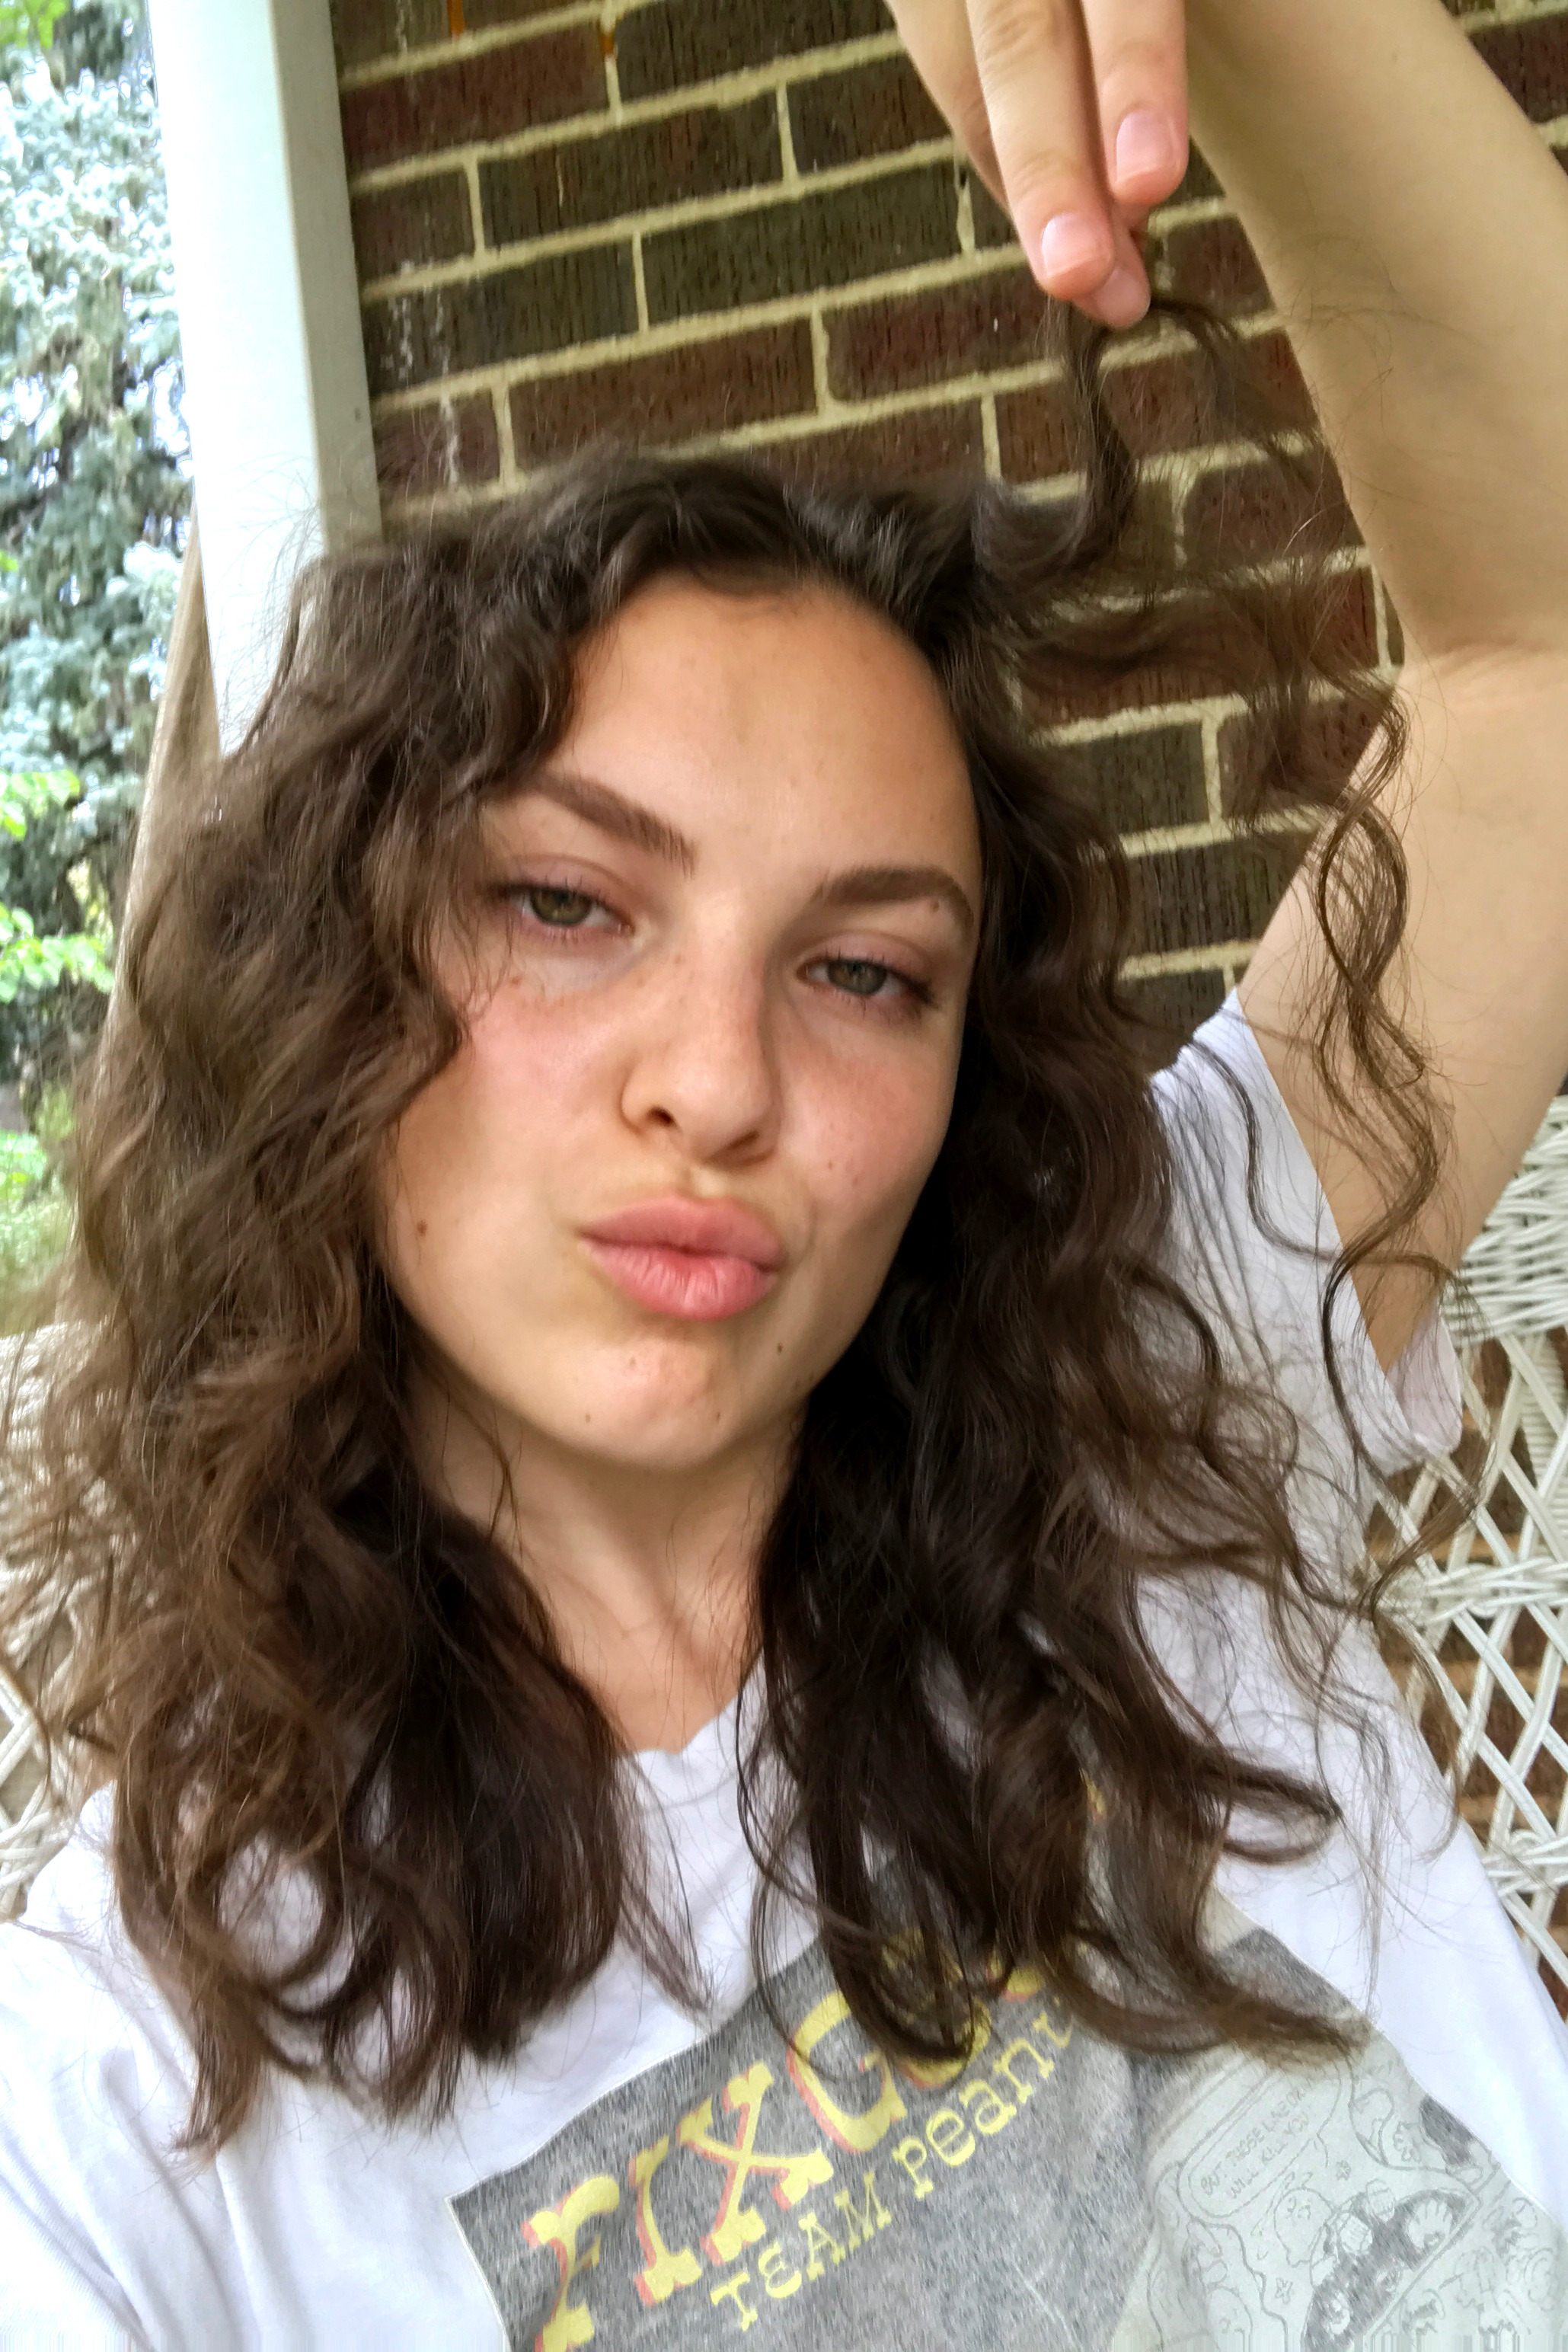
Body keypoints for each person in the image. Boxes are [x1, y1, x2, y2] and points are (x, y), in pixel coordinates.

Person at [2, 0, 1567, 2341]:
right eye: (565, 905)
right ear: (325, 977)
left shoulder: (1150, 1394)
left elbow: (1540, 653)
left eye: (862, 971)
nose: (718, 1083)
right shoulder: (124, 2111)